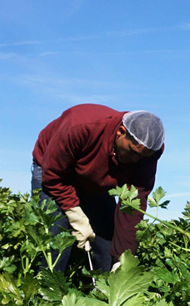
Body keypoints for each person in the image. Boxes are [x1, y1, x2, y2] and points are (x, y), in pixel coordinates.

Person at [32, 105, 164, 273]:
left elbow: (133, 205)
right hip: (54, 173)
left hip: (96, 181)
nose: (136, 160)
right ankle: (49, 293)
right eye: (132, 151)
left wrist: (123, 258)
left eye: (142, 156)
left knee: (107, 243)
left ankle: (104, 291)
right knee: (56, 241)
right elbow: (54, 174)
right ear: (120, 132)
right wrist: (75, 214)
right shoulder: (81, 126)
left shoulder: (148, 154)